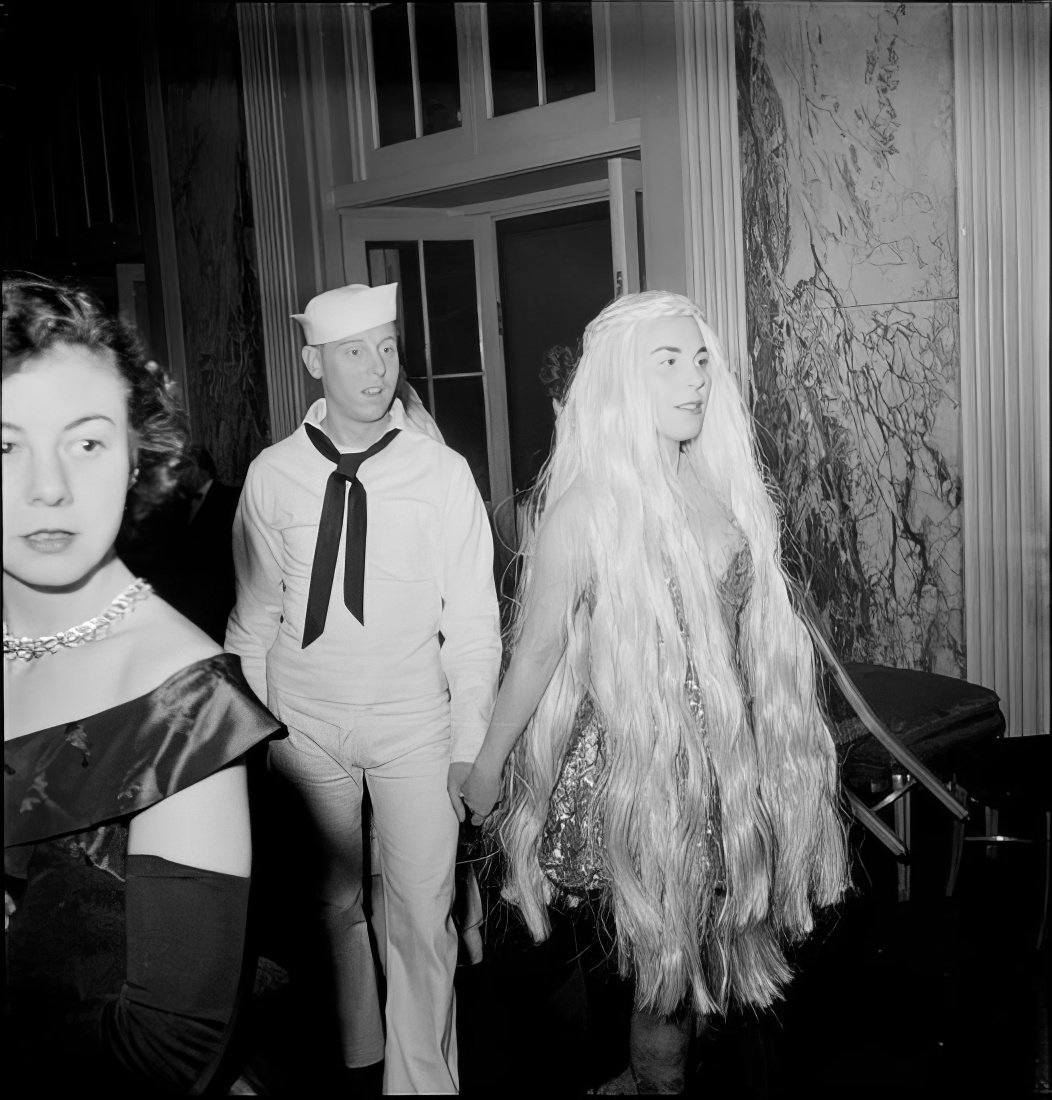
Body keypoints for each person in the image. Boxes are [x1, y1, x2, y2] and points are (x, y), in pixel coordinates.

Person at [460, 290, 849, 1093]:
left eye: (700, 359)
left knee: (710, 981)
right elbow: (534, 654)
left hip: (731, 778)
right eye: (667, 362)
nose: (694, 379)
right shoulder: (586, 512)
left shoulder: (722, 489)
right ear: (620, 382)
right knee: (663, 991)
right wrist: (489, 763)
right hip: (644, 787)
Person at [3, 275, 283, 1096]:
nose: (47, 487)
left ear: (137, 455)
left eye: (85, 442)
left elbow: (168, 1052)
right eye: (3, 445)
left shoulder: (181, 701)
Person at [225, 281, 501, 1094]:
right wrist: (249, 743)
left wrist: (469, 744)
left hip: (416, 722)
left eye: (386, 347)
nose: (378, 369)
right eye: (354, 352)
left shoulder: (441, 474)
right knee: (333, 903)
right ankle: (357, 1053)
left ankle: (421, 1084)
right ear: (314, 361)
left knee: (423, 913)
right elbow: (253, 620)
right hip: (303, 723)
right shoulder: (271, 477)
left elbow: (475, 626)